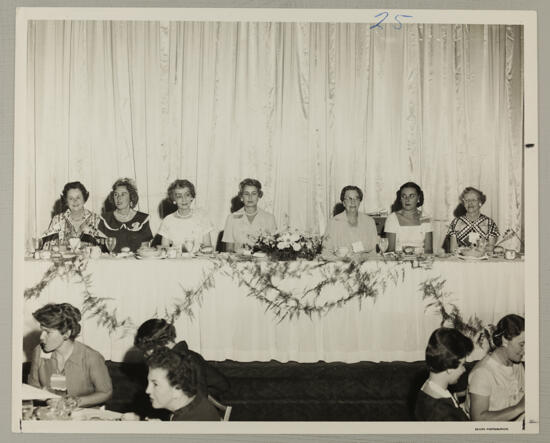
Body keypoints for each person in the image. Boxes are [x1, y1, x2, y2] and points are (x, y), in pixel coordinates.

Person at [27, 303, 112, 407]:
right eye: (42, 331)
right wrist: (45, 398)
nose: (41, 337)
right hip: (52, 413)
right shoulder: (39, 351)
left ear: (66, 333)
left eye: (48, 332)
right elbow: (33, 387)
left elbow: (105, 392)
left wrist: (77, 401)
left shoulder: (91, 357)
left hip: (85, 416)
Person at [134, 319, 230, 398]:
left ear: (161, 344)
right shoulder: (176, 357)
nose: (146, 355)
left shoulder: (187, 360)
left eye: (147, 350)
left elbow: (200, 398)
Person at [467, 314, 525, 421]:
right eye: (521, 345)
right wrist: (519, 408)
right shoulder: (482, 373)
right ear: (505, 340)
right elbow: (478, 419)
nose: (525, 350)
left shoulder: (517, 364)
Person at [146, 347, 220, 421]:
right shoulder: (198, 402)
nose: (147, 390)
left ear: (177, 389)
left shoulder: (189, 423)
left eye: (155, 384)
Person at [415, 328, 473, 421]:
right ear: (449, 368)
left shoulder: (427, 387)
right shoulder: (443, 414)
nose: (464, 370)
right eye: (462, 365)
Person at [322, 185, 378, 259]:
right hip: (340, 267)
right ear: (343, 203)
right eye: (349, 199)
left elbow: (374, 252)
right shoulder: (333, 223)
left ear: (360, 201)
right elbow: (325, 253)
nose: (353, 202)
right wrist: (341, 259)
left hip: (365, 266)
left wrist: (362, 257)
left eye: (356, 198)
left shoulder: (369, 222)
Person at [41, 181, 102, 249]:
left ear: (84, 199)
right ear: (66, 201)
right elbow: (47, 248)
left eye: (78, 197)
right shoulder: (57, 219)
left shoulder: (96, 219)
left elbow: (104, 247)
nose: (75, 201)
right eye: (71, 198)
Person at [98, 178, 153, 253]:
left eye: (123, 194)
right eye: (116, 194)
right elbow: (99, 248)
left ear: (131, 197)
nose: (119, 198)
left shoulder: (142, 218)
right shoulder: (105, 219)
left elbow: (145, 249)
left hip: (136, 263)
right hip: (111, 262)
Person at [222, 178, 277, 252]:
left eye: (254, 193)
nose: (250, 197)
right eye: (246, 194)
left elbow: (273, 249)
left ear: (259, 196)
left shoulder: (269, 218)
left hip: (262, 262)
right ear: (241, 197)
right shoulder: (232, 218)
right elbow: (229, 249)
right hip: (238, 261)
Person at [157, 179, 213, 252]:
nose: (184, 199)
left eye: (187, 195)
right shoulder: (168, 220)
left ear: (192, 197)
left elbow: (208, 247)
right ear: (174, 199)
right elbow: (164, 249)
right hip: (176, 261)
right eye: (179, 196)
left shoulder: (202, 217)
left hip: (198, 261)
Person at [384, 182, 433, 253]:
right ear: (400, 199)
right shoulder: (392, 218)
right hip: (398, 261)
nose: (407, 199)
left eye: (412, 196)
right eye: (404, 196)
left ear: (418, 198)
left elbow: (429, 250)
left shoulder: (425, 217)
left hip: (420, 260)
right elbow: (390, 250)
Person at [447, 187, 499, 252]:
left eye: (474, 200)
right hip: (461, 260)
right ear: (464, 204)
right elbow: (453, 249)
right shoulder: (456, 222)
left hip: (483, 260)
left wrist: (475, 250)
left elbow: (491, 248)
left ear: (480, 203)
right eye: (467, 200)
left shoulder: (489, 223)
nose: (470, 203)